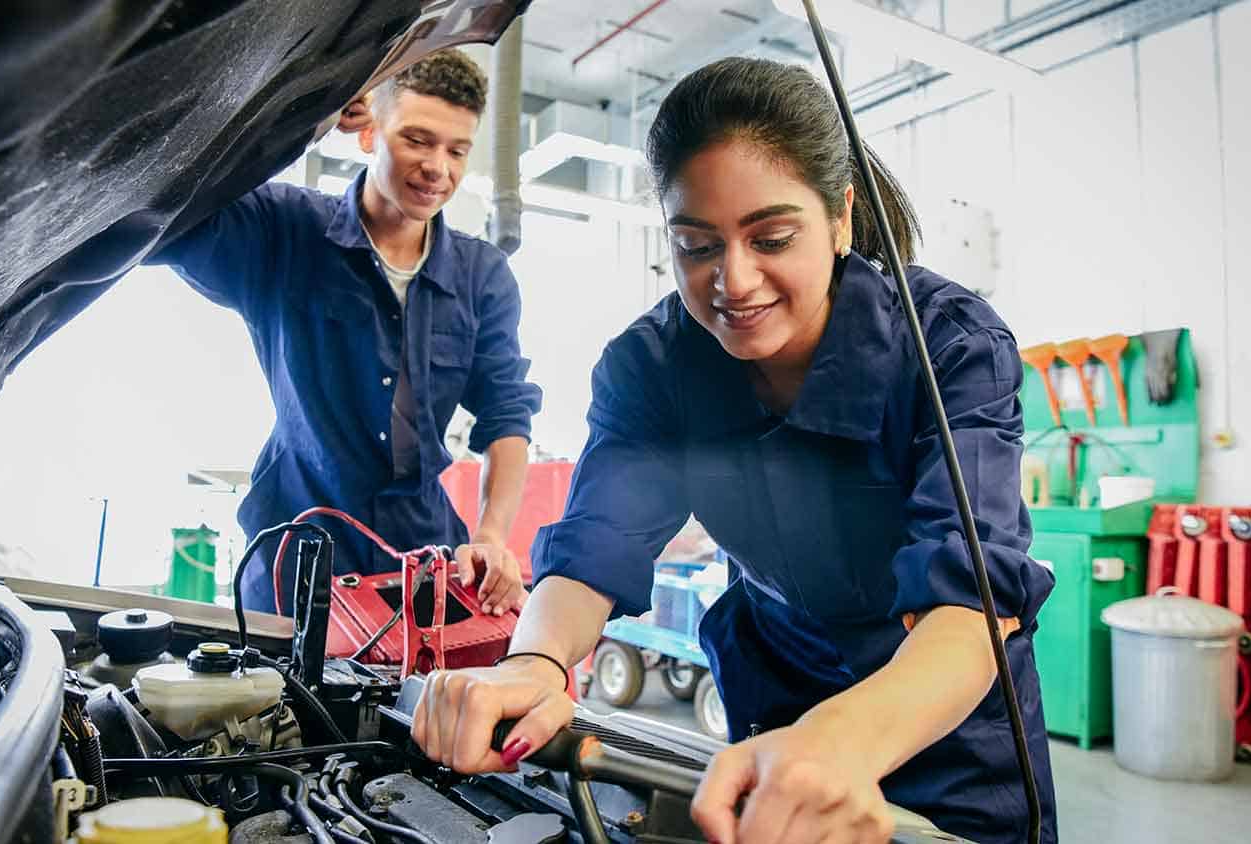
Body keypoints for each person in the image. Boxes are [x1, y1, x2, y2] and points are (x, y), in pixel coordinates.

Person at [409, 57, 1058, 844]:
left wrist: (839, 744)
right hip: (776, 701)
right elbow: (594, 548)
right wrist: (535, 663)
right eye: (696, 246)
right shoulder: (653, 366)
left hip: (944, 720)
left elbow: (972, 605)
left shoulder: (949, 346)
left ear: (842, 216)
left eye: (772, 237)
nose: (735, 281)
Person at [153, 51, 541, 616]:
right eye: (417, 139)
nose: (439, 168)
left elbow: (507, 413)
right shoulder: (284, 232)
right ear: (368, 134)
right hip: (296, 560)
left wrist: (490, 535)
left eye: (457, 150)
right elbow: (171, 204)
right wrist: (302, 118)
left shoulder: (483, 278)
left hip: (421, 562)